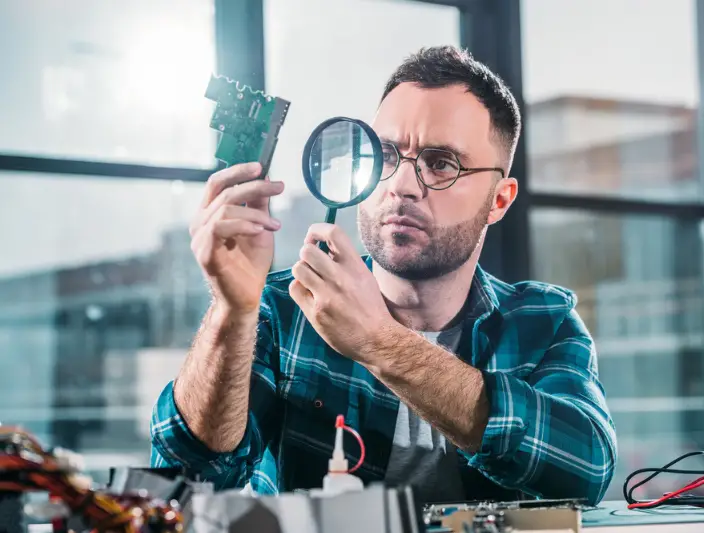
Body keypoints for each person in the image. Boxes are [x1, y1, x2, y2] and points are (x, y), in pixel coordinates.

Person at [150, 45, 617, 505]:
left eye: (441, 163)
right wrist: (232, 310)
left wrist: (376, 340)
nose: (401, 185)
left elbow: (587, 469)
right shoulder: (284, 309)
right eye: (388, 155)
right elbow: (182, 481)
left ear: (499, 200)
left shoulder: (543, 322)